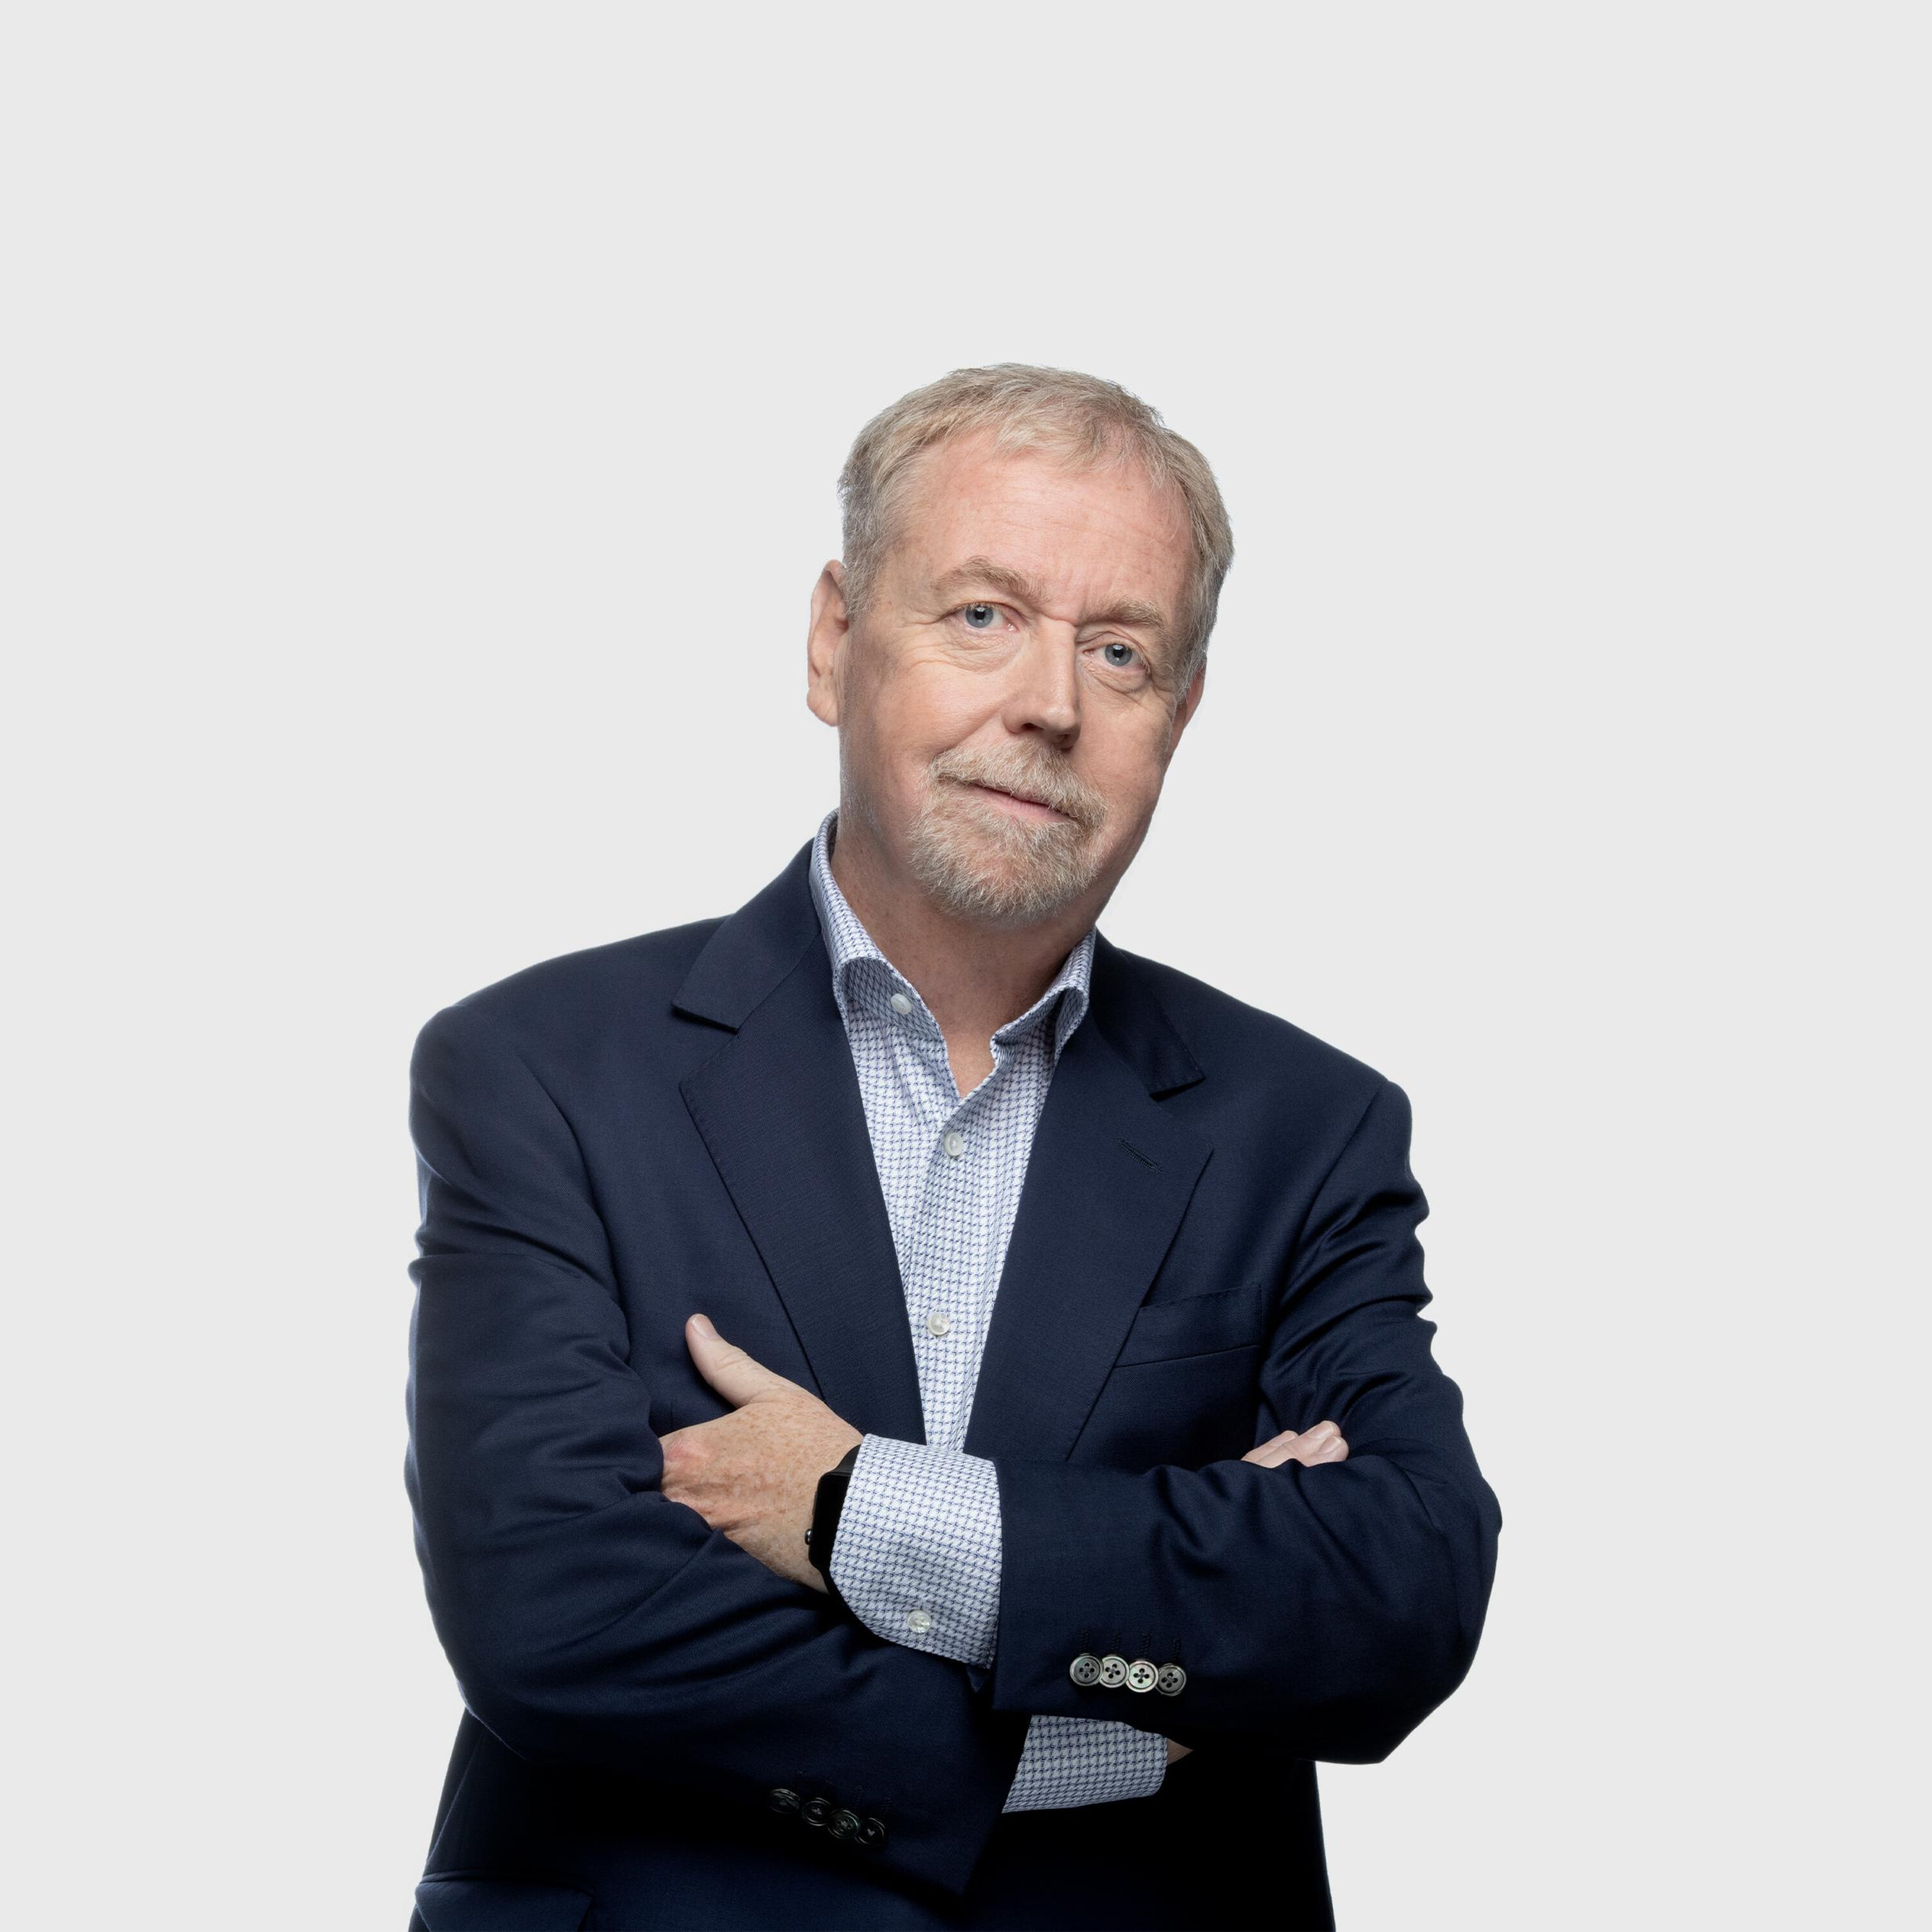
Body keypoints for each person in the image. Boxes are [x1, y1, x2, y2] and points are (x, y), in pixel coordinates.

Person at [403, 364, 1501, 1931]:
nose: (1050, 701)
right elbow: (554, 1614)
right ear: (835, 640)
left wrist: (861, 1507)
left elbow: (1402, 1592)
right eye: (983, 615)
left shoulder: (1306, 1130)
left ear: (1180, 715)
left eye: (1119, 650)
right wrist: (1088, 1731)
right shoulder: (542, 1071)